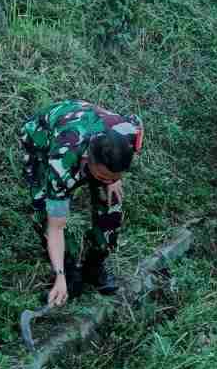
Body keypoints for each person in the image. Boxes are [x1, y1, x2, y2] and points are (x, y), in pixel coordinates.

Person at [19, 100, 143, 306]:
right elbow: (56, 227)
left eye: (115, 175)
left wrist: (113, 179)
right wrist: (59, 276)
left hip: (89, 123)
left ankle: (94, 266)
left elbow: (137, 122)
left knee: (112, 204)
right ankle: (68, 271)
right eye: (102, 176)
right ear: (88, 160)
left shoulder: (128, 131)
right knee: (44, 208)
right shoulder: (62, 164)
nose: (107, 181)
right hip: (40, 137)